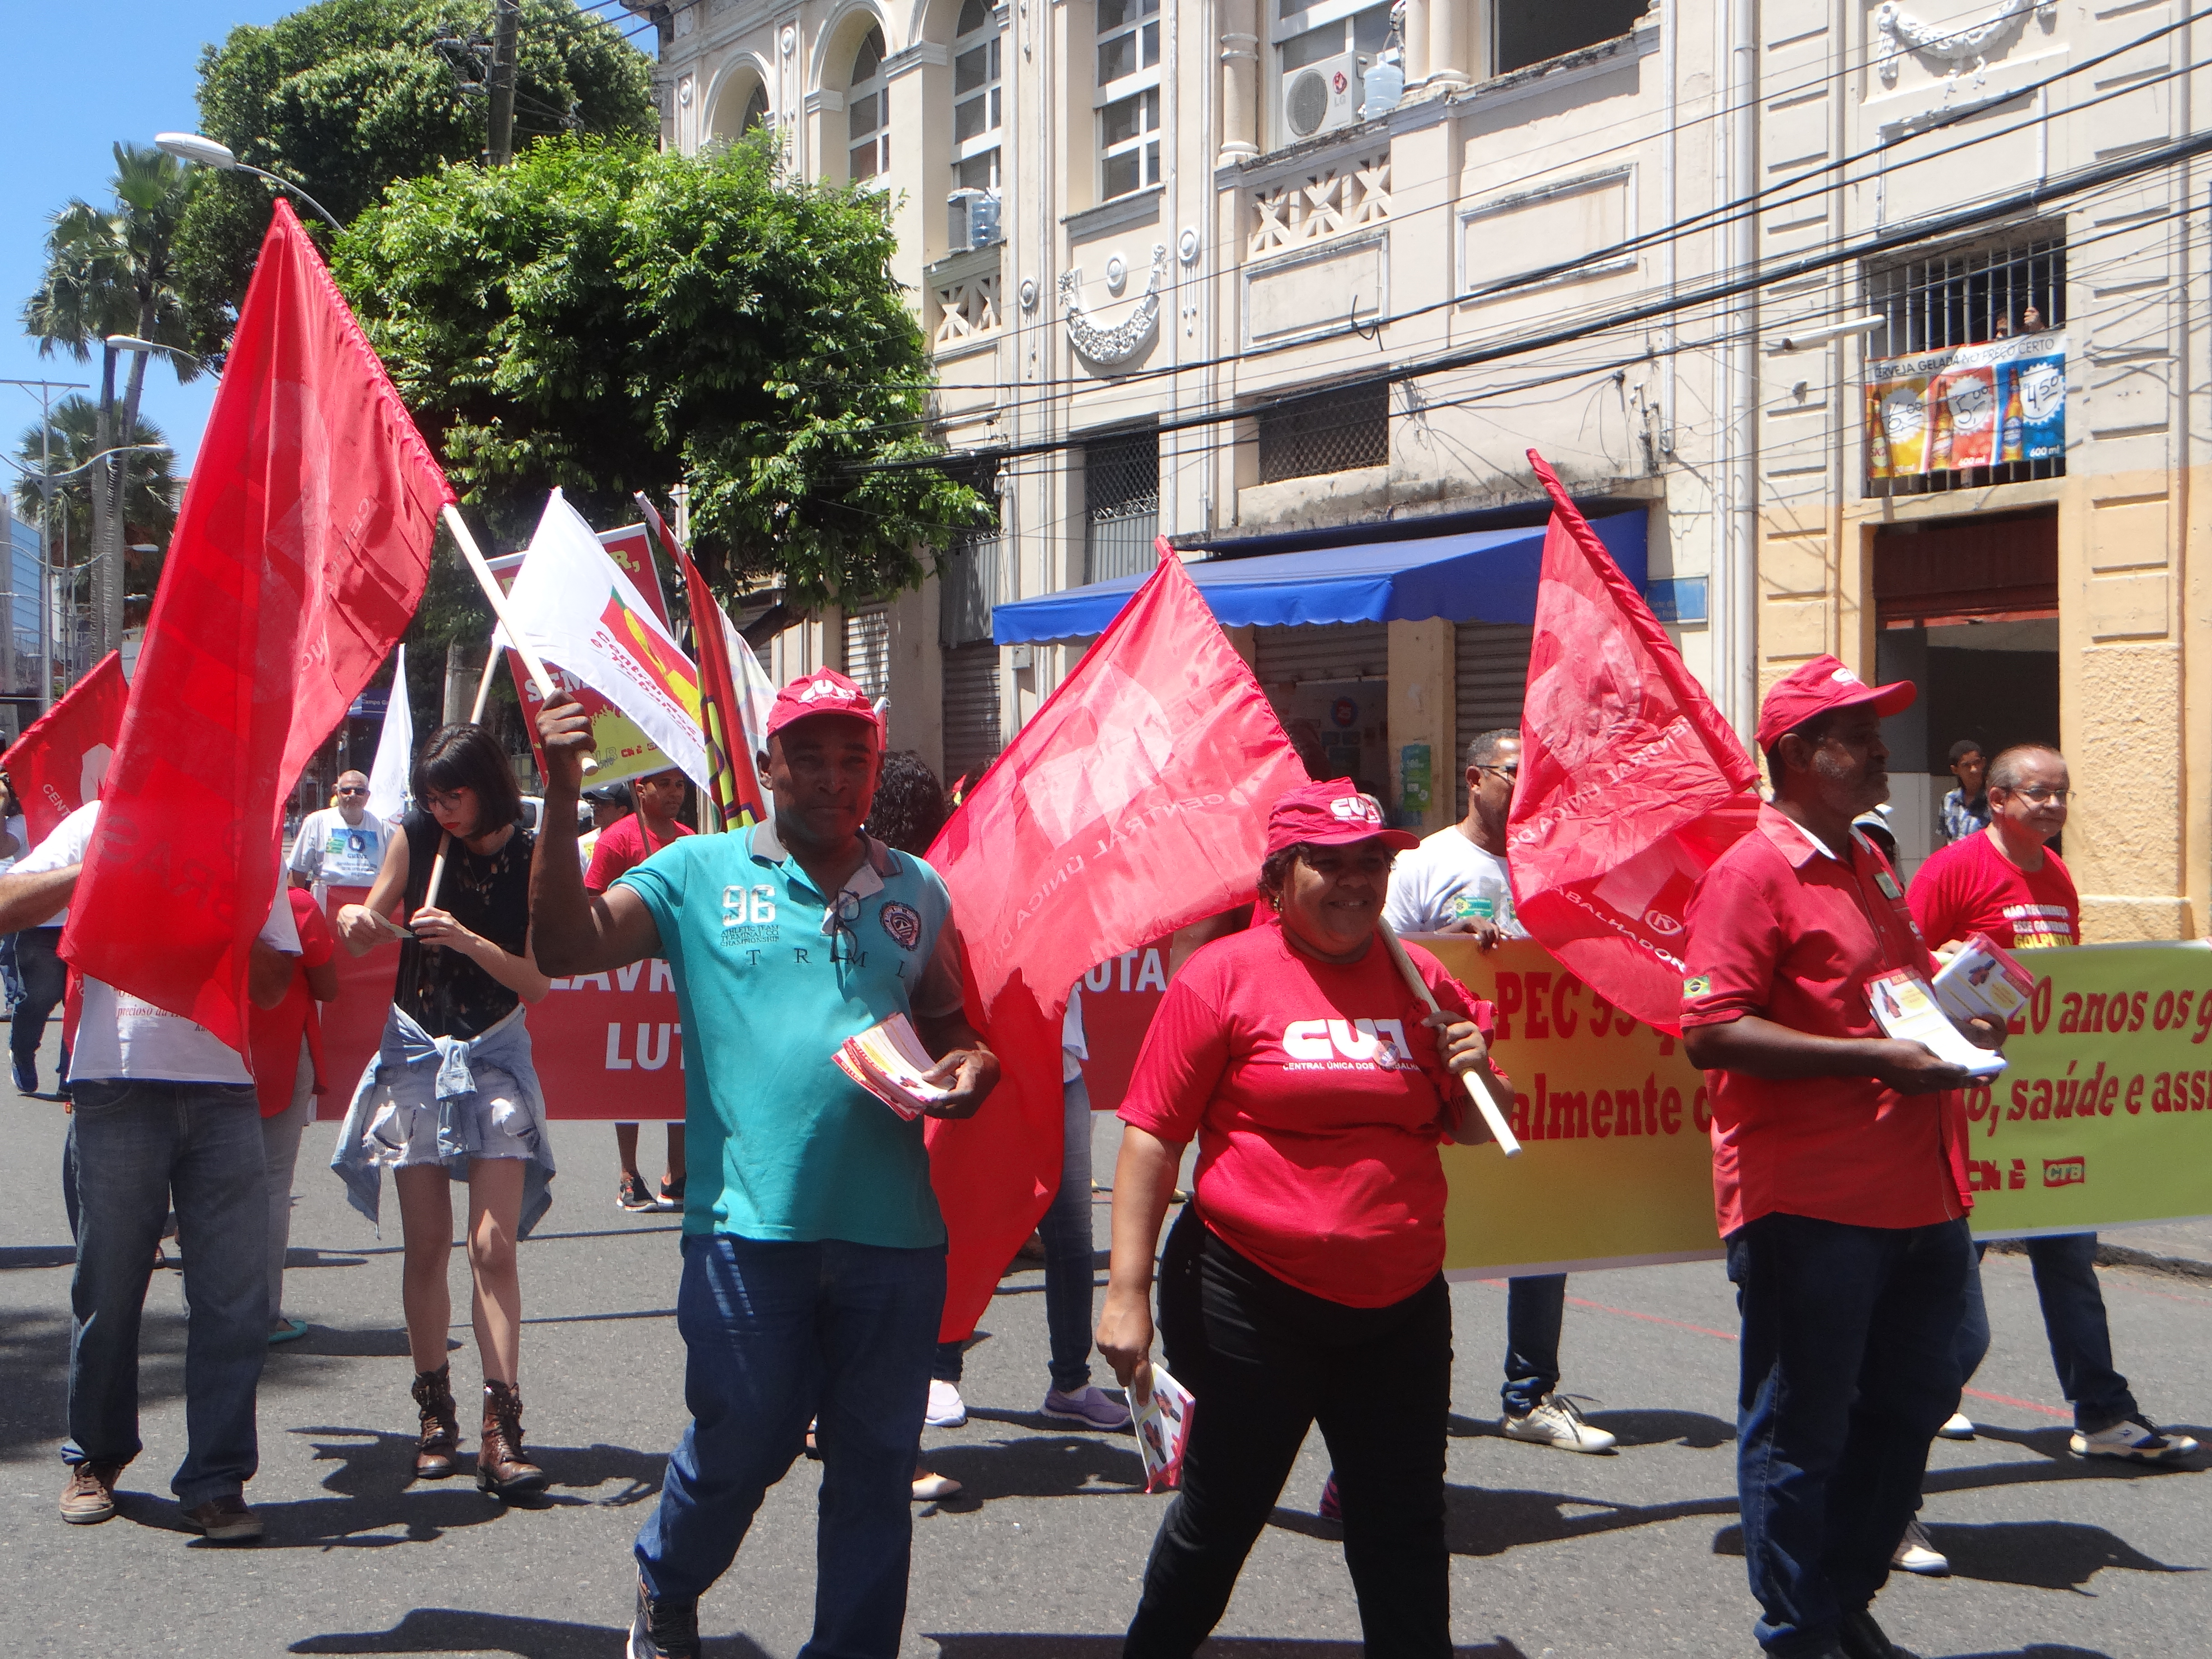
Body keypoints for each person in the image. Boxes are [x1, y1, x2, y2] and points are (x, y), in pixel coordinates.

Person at [528, 670, 1000, 1659]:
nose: (835, 778)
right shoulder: (695, 872)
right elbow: (565, 948)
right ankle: (668, 1580)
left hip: (895, 1240)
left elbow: (962, 1032)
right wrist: (564, 791)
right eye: (811, 758)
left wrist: (966, 1070)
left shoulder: (917, 889)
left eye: (854, 759)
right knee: (746, 1440)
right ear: (769, 765)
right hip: (749, 1234)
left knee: (874, 1469)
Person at [1097, 778, 1514, 1659]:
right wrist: (1125, 1294)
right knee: (1225, 1512)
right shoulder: (1223, 977)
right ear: (1280, 880)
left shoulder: (1421, 977)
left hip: (1399, 1310)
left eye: (1373, 862)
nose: (1358, 882)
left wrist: (1478, 1066)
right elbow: (1150, 1141)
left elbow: (1478, 1128)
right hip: (1251, 1301)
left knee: (1402, 1525)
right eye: (1330, 864)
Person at [1678, 655, 2006, 1659]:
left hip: (1920, 1191)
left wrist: (1959, 1021)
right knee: (1802, 1426)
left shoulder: (1868, 858)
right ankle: (1800, 1627)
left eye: (1873, 731)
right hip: (1812, 1201)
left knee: (1921, 1393)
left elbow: (1890, 1000)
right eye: (1857, 735)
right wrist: (1876, 1061)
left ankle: (1841, 1595)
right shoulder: (1751, 870)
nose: (1877, 750)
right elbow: (1710, 1029)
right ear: (1799, 755)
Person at [1906, 745, 2196, 1534]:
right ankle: (1917, 1419)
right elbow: (1901, 965)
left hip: (2047, 1110)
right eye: (2039, 792)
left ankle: (2101, 1413)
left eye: (2063, 793)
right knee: (1949, 1284)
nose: (2054, 806)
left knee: (2070, 1262)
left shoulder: (2059, 877)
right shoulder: (1952, 871)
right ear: (1996, 798)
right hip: (1973, 1108)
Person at [0, 799, 302, 1541]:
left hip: (225, 1087)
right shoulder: (102, 820)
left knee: (233, 1300)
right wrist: (96, 870)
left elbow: (271, 981)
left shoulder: (249, 833)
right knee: (106, 1287)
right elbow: (7, 906)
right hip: (115, 1082)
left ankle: (216, 1480)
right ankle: (95, 1458)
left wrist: (229, 911)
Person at [330, 723, 556, 1501]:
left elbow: (537, 982)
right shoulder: (417, 835)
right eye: (430, 796)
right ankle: (435, 1411)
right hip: (415, 1048)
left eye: (452, 794)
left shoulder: (530, 854)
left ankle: (503, 1428)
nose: (441, 809)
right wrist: (359, 922)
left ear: (486, 785)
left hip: (494, 1047)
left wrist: (463, 940)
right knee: (425, 1242)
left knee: (492, 1245)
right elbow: (366, 926)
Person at [1382, 727, 1615, 1457]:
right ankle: (1406, 1391)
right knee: (1434, 1238)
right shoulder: (1427, 862)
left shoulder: (1553, 865)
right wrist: (1447, 937)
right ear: (1477, 779)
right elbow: (1379, 953)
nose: (1529, 786)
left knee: (1542, 1232)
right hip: (1451, 1081)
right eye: (1517, 773)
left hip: (1543, 1080)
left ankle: (1531, 1393)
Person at [588, 768, 693, 1214]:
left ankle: (679, 1173)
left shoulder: (690, 840)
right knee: (630, 1072)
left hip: (678, 976)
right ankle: (629, 1174)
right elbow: (592, 897)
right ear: (639, 788)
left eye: (680, 785)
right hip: (629, 976)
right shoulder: (617, 839)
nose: (673, 793)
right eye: (663, 783)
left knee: (677, 1070)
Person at [251, 886, 340, 1345]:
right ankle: (263, 1316)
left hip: (202, 1051)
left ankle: (203, 1308)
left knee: (200, 1185)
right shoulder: (295, 904)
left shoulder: (198, 895)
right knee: (270, 1189)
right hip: (280, 1057)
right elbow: (328, 985)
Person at [289, 769, 392, 898]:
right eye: (346, 791)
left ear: (368, 796)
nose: (353, 795)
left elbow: (395, 873)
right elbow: (298, 871)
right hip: (326, 904)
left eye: (359, 791)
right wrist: (294, 912)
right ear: (337, 793)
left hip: (369, 905)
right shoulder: (316, 822)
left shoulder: (383, 826)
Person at [1939, 740, 1989, 845]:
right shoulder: (1949, 799)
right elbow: (1947, 838)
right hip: (1955, 859)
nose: (1974, 770)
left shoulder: (1995, 798)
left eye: (1977, 763)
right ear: (1955, 770)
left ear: (1983, 763)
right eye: (1966, 765)